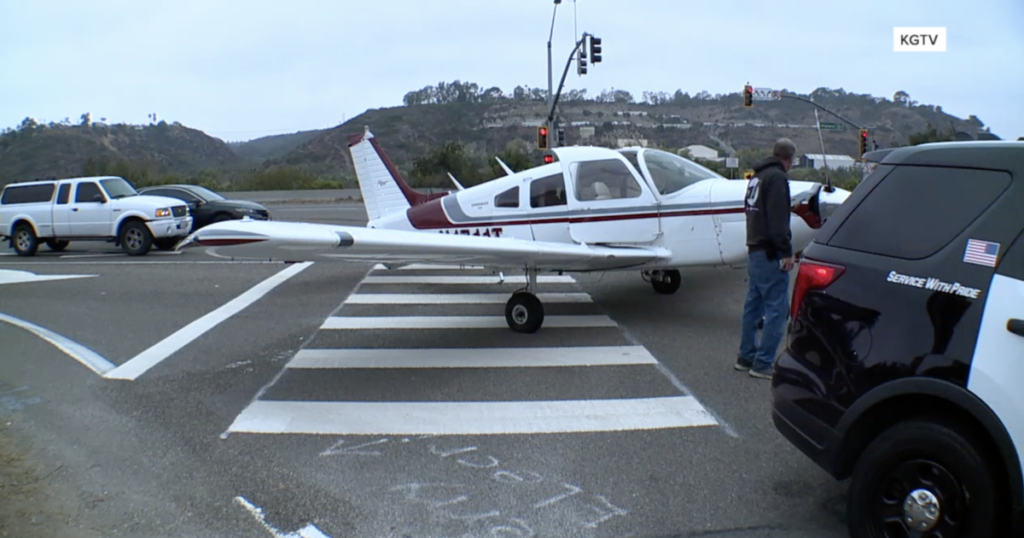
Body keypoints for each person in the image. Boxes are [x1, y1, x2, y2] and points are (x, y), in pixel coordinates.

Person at [735, 138, 797, 379]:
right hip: (770, 251)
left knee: (753, 305)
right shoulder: (778, 178)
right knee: (777, 309)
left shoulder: (756, 178)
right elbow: (778, 219)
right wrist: (786, 251)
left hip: (754, 248)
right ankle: (763, 364)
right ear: (789, 159)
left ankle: (745, 356)